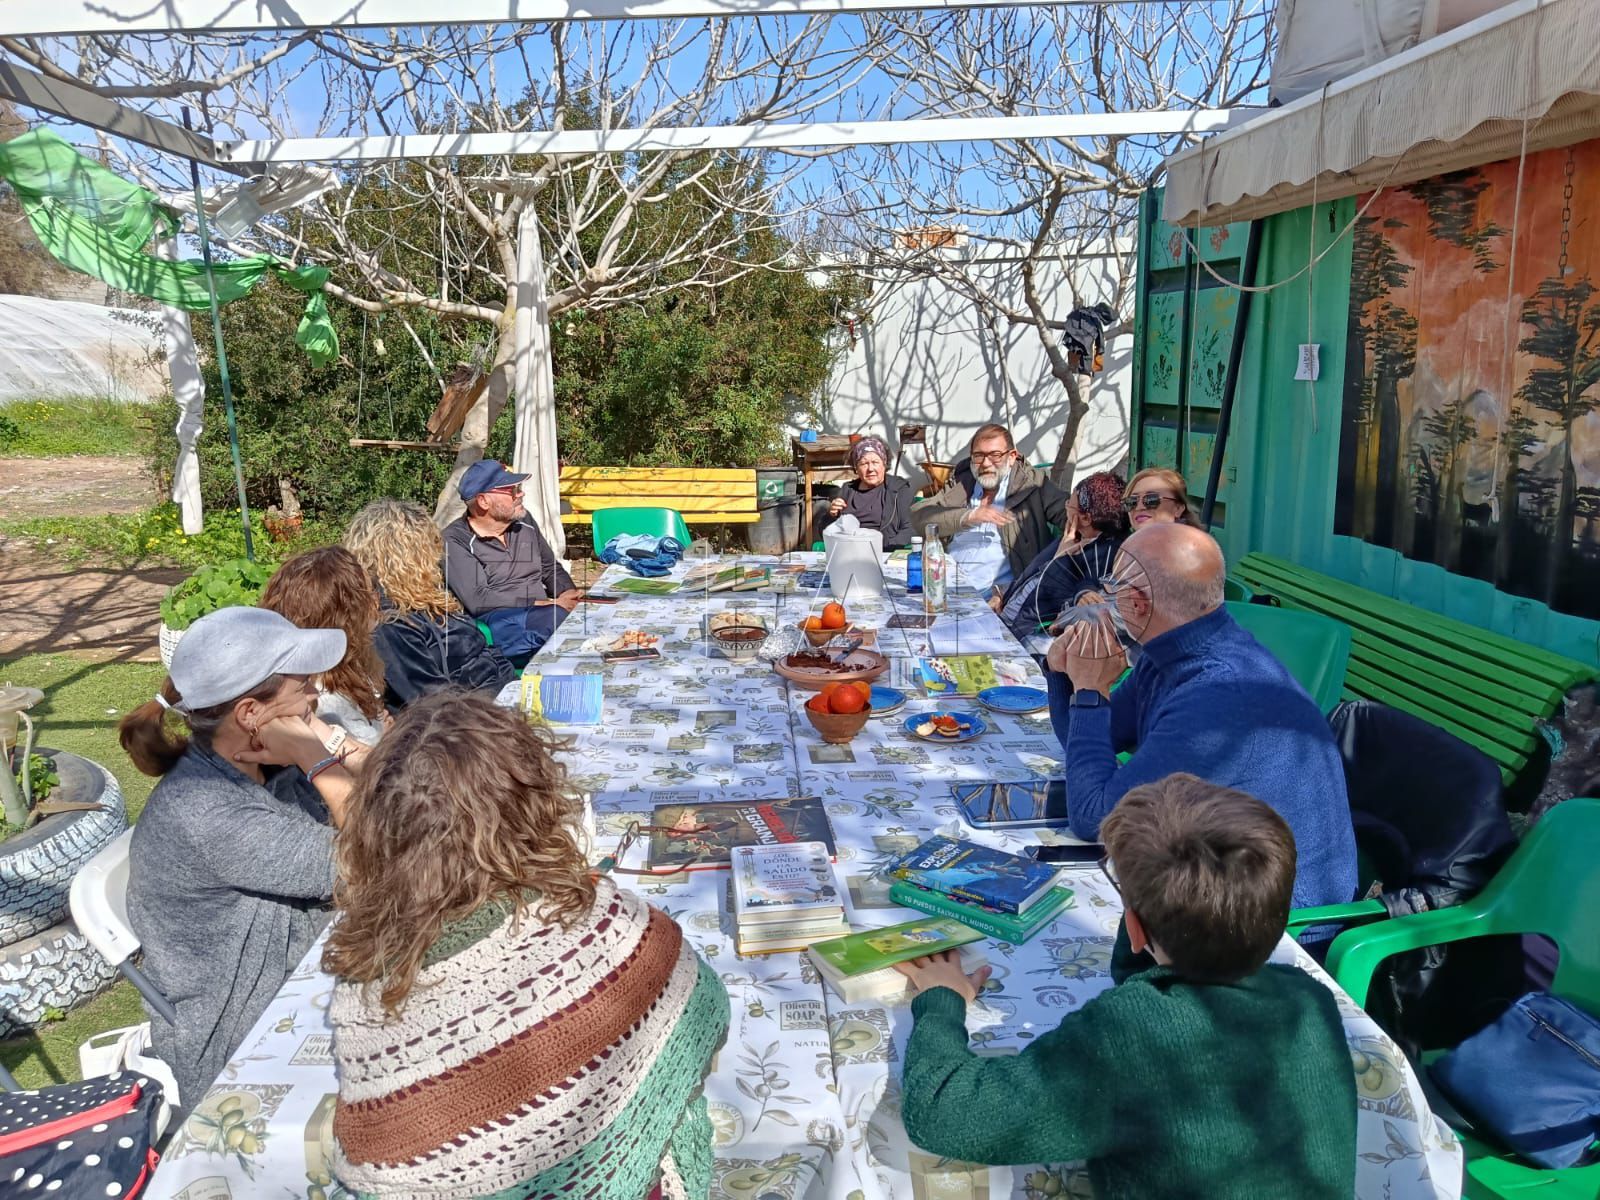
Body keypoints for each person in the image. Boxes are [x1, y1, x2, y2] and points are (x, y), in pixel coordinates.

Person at [323, 692, 730, 1198]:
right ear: (534, 801)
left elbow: (379, 1158)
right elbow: (702, 1008)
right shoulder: (606, 923)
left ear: (376, 828)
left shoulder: (370, 972)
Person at [894, 773, 1358, 1199]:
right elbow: (1152, 979)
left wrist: (942, 1000)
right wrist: (1146, 919)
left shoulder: (1129, 1033)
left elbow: (942, 1114)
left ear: (1134, 928)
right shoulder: (1310, 998)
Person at [1046, 522, 1357, 914]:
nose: (1104, 598)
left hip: (1277, 920)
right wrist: (1063, 674)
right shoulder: (1176, 648)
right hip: (1216, 871)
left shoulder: (1217, 697)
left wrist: (1090, 691)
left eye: (1111, 587)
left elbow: (1094, 820)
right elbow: (1088, 746)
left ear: (1138, 603)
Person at [119, 606, 360, 1111]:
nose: (317, 696)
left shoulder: (267, 771)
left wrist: (334, 743)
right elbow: (376, 864)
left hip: (309, 975)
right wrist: (318, 757)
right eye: (305, 686)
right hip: (247, 1042)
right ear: (251, 714)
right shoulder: (208, 809)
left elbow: (406, 808)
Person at [344, 498, 517, 710]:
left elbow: (485, 650)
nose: (438, 553)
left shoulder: (428, 595)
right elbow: (434, 701)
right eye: (431, 545)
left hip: (503, 695)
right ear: (412, 556)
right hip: (471, 721)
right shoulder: (391, 623)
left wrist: (516, 688)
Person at [442, 459, 580, 662]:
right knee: (561, 623)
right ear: (483, 501)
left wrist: (569, 593)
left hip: (544, 614)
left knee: (590, 617)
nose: (520, 494)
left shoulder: (524, 522)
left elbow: (550, 567)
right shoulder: (455, 540)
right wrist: (542, 603)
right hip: (498, 621)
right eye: (512, 491)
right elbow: (478, 598)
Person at [913, 422, 1068, 593]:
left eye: (995, 455)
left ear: (1012, 457)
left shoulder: (1032, 485)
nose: (986, 464)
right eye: (978, 456)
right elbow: (920, 516)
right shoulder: (962, 482)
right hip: (946, 586)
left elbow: (1071, 514)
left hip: (997, 595)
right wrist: (969, 516)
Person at [258, 546, 391, 744]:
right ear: (347, 617)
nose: (376, 602)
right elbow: (373, 763)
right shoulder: (322, 698)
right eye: (369, 594)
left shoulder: (345, 665)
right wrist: (389, 737)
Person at [995, 470, 1128, 647]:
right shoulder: (1073, 537)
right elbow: (1030, 577)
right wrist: (999, 594)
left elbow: (1072, 596)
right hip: (1005, 619)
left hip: (1025, 636)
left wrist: (1060, 558)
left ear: (1086, 518)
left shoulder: (1106, 554)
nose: (1065, 507)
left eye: (1069, 504)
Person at [825, 434, 917, 549]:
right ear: (856, 468)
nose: (870, 469)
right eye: (864, 463)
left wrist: (878, 547)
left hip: (885, 551)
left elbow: (910, 530)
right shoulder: (847, 490)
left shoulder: (899, 489)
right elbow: (826, 531)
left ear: (884, 464)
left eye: (875, 462)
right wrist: (832, 515)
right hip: (849, 551)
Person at [1123, 466, 1198, 530]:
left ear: (1178, 508)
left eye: (1151, 499)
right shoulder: (1131, 545)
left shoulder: (1192, 545)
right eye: (1132, 502)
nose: (1139, 507)